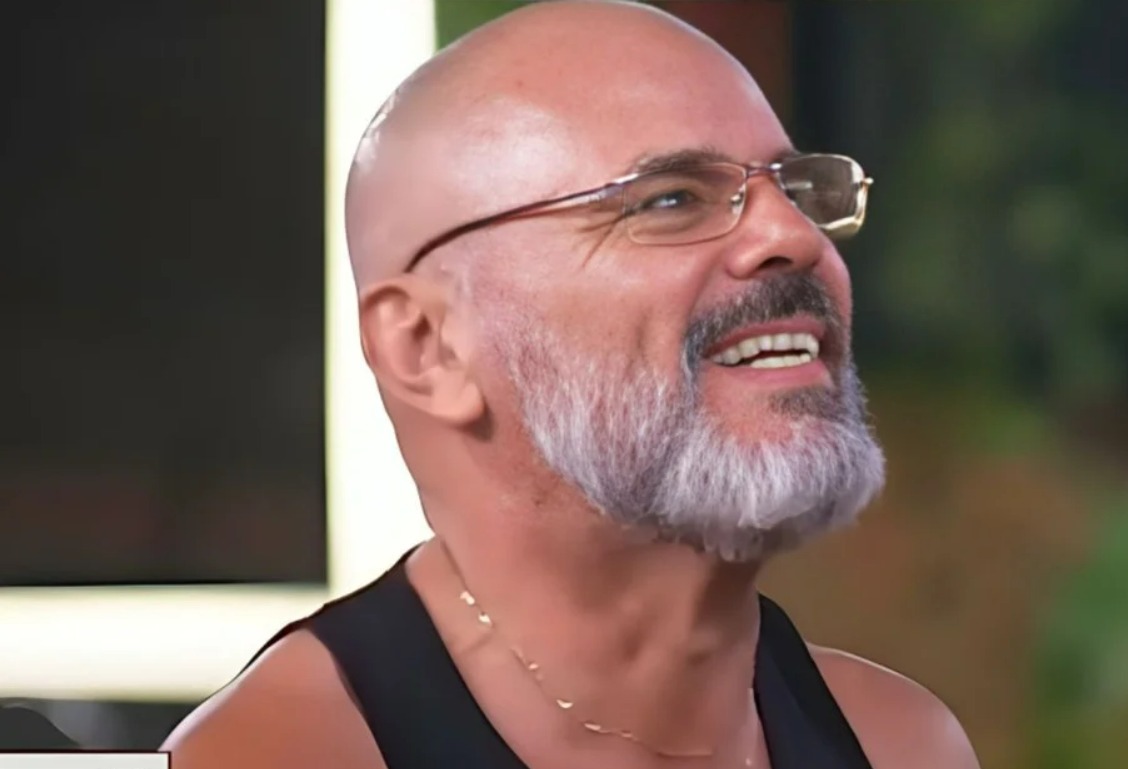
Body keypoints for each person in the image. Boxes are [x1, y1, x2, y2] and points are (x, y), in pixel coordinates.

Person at [163, 1, 981, 767]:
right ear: (429, 348)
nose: (793, 237)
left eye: (796, 190)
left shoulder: (901, 742)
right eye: (671, 199)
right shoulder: (273, 750)